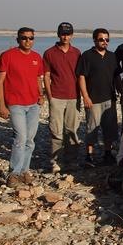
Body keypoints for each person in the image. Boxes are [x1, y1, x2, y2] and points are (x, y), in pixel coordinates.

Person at [0, 27, 45, 187]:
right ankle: (13, 174)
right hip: (15, 104)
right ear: (18, 39)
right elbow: (0, 81)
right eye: (24, 38)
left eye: (31, 38)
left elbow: (38, 78)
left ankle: (24, 171)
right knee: (20, 138)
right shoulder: (8, 56)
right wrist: (1, 105)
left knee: (30, 140)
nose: (28, 41)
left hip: (33, 105)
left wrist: (41, 94)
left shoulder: (37, 57)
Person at [76, 28, 119, 167]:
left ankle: (107, 153)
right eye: (101, 39)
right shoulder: (87, 56)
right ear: (94, 40)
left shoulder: (112, 56)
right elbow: (81, 76)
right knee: (92, 128)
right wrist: (85, 96)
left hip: (109, 99)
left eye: (107, 39)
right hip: (93, 99)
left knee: (109, 128)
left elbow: (116, 76)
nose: (104, 42)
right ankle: (89, 155)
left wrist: (121, 92)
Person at [43, 22, 81, 174]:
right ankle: (55, 161)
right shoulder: (49, 53)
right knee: (56, 130)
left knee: (72, 130)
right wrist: (49, 95)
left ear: (72, 35)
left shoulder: (77, 52)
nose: (65, 36)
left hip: (74, 96)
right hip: (56, 96)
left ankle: (71, 161)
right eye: (63, 33)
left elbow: (80, 76)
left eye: (68, 33)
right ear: (58, 34)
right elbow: (46, 75)